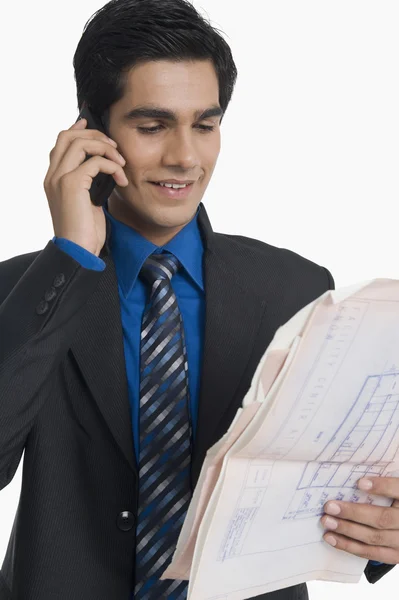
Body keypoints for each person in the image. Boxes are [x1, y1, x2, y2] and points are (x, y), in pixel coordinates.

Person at [0, 0, 398, 598]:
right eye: (153, 126)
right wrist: (72, 253)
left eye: (204, 125)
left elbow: (335, 491)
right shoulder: (24, 293)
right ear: (92, 133)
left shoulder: (297, 289)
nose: (185, 157)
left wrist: (386, 532)